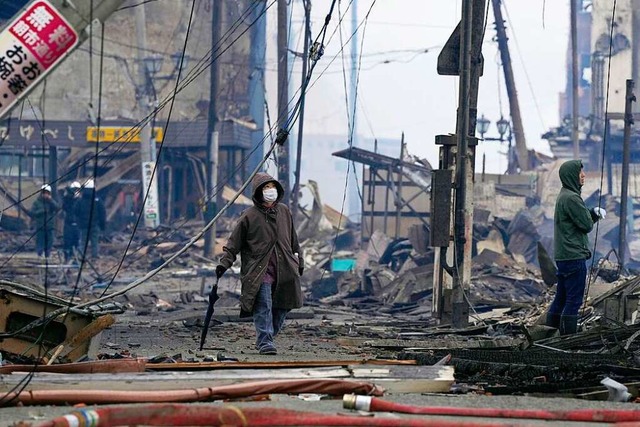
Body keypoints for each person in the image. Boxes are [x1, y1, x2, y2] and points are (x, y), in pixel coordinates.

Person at [216, 172, 304, 355]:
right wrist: (224, 264)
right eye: (265, 187)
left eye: (272, 187)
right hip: (259, 270)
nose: (269, 191)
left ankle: (268, 336)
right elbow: (233, 244)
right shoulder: (248, 216)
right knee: (263, 304)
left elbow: (294, 240)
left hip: (285, 268)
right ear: (258, 192)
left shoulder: (284, 212)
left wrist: (299, 260)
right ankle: (265, 341)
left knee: (283, 305)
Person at [546, 159, 606, 335]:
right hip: (574, 256)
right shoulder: (572, 198)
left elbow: (577, 220)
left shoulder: (564, 195)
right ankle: (567, 341)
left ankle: (548, 335)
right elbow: (586, 225)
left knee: (561, 298)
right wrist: (594, 214)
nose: (584, 175)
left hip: (563, 256)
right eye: (581, 173)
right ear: (572, 175)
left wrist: (590, 214)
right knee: (573, 301)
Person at [75, 178, 106, 259]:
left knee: (83, 242)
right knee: (94, 242)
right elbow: (102, 213)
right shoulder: (98, 200)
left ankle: (81, 257)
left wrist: (79, 223)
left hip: (84, 226)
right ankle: (94, 257)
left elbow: (75, 212)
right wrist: (102, 225)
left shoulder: (80, 201)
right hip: (95, 225)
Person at [30, 184, 60, 258]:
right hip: (40, 226)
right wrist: (42, 211)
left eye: (47, 193)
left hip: (50, 226)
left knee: (49, 242)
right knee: (40, 242)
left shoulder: (51, 202)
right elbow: (33, 213)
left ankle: (47, 255)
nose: (45, 194)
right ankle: (39, 254)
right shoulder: (37, 202)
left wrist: (51, 200)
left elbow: (57, 208)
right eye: (44, 193)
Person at [62, 181, 81, 262]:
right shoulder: (67, 200)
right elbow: (65, 207)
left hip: (77, 225)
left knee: (76, 243)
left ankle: (74, 259)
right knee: (67, 242)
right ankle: (67, 258)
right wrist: (69, 196)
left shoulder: (80, 201)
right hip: (68, 224)